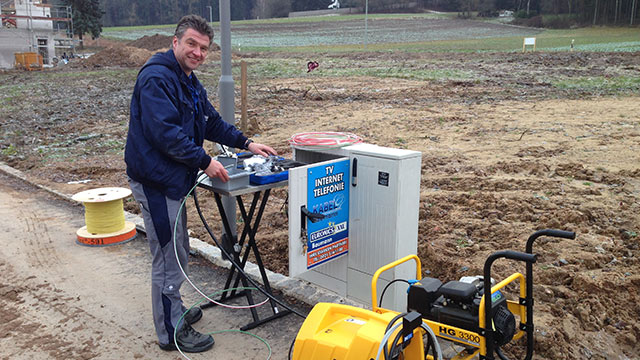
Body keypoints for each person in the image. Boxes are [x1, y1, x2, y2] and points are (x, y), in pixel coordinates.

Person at [124, 14, 277, 353]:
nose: (197, 52)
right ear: (175, 42)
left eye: (204, 48)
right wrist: (206, 161)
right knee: (168, 256)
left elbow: (210, 122)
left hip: (173, 180)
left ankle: (174, 310)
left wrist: (247, 143)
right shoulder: (157, 78)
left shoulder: (188, 80)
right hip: (156, 181)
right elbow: (166, 134)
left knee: (177, 249)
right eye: (191, 44)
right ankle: (169, 331)